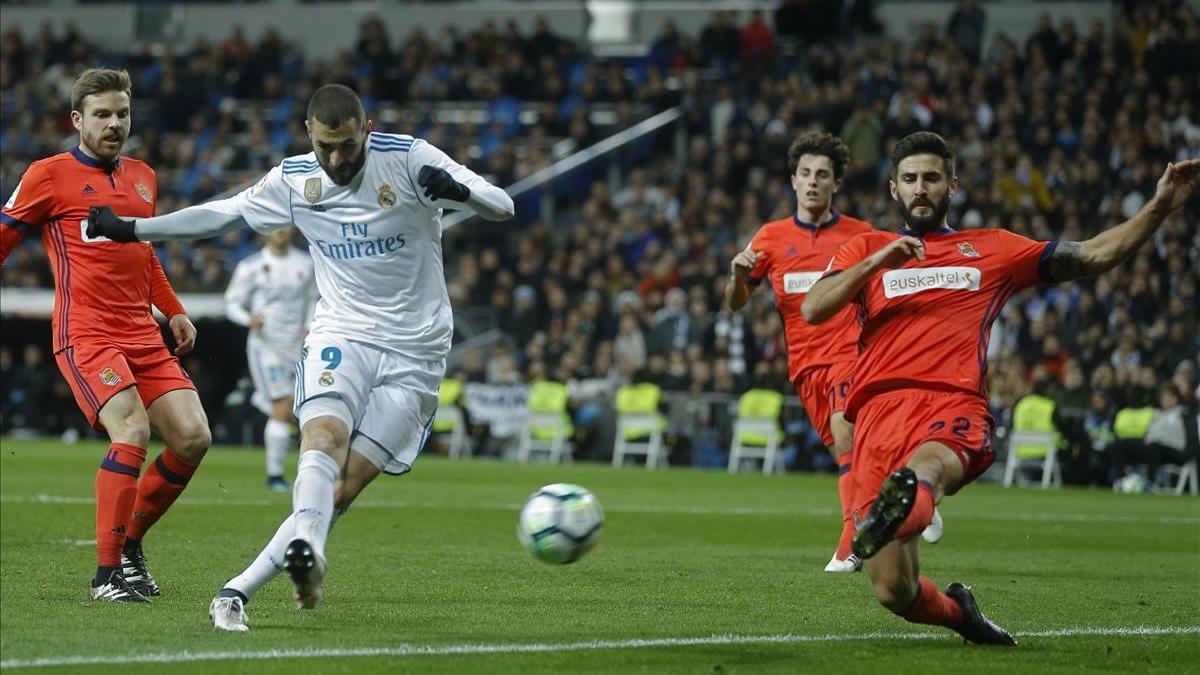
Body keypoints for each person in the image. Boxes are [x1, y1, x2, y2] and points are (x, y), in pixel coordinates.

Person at [86, 84, 515, 631]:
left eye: (348, 146)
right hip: (344, 333)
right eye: (326, 147)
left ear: (366, 129)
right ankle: (306, 551)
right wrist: (134, 230)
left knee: (344, 487)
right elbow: (222, 214)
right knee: (321, 439)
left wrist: (460, 192)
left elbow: (503, 204)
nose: (338, 160)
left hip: (417, 350)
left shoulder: (409, 158)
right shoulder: (294, 180)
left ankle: (237, 589)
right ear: (309, 136)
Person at [803, 131, 1199, 645]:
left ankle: (910, 503)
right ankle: (961, 614)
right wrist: (878, 263)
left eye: (931, 178)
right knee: (894, 592)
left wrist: (1161, 205)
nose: (920, 188)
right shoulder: (865, 248)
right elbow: (814, 307)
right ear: (893, 190)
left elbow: (1093, 254)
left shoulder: (991, 249)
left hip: (950, 403)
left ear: (952, 186)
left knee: (925, 470)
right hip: (876, 417)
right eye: (910, 179)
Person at [0, 68, 212, 603]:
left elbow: (145, 252)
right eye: (102, 115)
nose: (114, 123)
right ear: (77, 120)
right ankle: (105, 575)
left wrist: (173, 309)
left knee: (193, 437)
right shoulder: (47, 175)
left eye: (122, 114)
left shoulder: (143, 176)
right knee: (133, 431)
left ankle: (131, 547)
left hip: (142, 332)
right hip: (86, 332)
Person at [724, 132, 940, 574]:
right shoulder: (770, 238)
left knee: (847, 438)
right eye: (805, 174)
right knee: (851, 453)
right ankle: (913, 489)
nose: (813, 182)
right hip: (805, 367)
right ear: (793, 181)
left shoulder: (860, 235)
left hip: (851, 354)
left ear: (835, 184)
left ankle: (850, 541)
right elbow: (736, 302)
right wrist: (736, 277)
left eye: (822, 174)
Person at [223, 226, 318, 491]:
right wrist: (247, 319)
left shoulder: (305, 263)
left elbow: (313, 298)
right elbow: (231, 302)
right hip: (265, 347)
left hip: (297, 345)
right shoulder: (251, 266)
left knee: (301, 408)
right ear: (265, 230)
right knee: (283, 405)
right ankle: (275, 476)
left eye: (285, 224)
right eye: (274, 225)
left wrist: (310, 323)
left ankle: (259, 400)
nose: (280, 230)